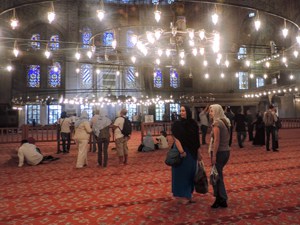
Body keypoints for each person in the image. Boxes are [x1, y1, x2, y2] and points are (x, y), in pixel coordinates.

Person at [171, 105, 202, 204]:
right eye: (181, 111)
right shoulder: (177, 124)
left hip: (192, 152)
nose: (182, 112)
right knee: (181, 175)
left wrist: (198, 153)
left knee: (191, 174)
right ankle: (181, 196)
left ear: (188, 111)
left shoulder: (193, 123)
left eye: (184, 111)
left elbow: (196, 140)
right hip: (182, 152)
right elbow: (176, 139)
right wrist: (181, 152)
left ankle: (189, 194)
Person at [209, 104, 231, 208]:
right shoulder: (225, 121)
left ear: (217, 112)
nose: (210, 113)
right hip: (226, 151)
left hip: (219, 153)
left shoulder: (217, 123)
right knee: (218, 175)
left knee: (217, 176)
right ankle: (220, 198)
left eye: (212, 111)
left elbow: (216, 141)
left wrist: (214, 156)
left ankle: (222, 198)